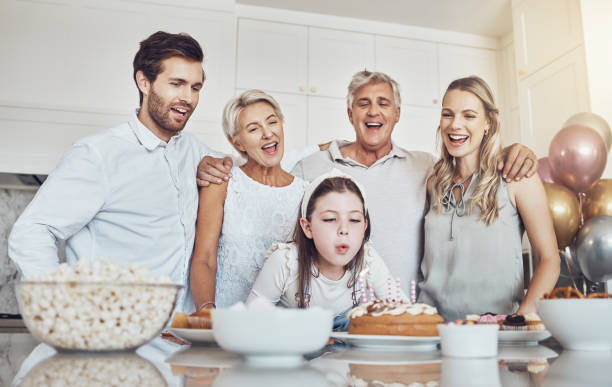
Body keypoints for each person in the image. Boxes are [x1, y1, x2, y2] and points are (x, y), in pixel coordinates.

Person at [198, 70, 539, 294]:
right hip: (334, 319)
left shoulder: (427, 168)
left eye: (383, 104)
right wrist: (217, 161)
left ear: (397, 114)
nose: (373, 112)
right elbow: (268, 166)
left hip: (406, 316)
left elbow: (469, 163)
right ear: (350, 115)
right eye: (363, 104)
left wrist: (511, 149)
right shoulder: (311, 167)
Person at [8, 31, 221, 313]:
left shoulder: (193, 151)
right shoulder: (97, 155)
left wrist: (218, 165)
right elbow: (32, 231)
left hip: (177, 343)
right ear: (144, 82)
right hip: (110, 341)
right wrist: (62, 309)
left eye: (195, 88)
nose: (188, 98)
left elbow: (241, 168)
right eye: (177, 84)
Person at [418, 76, 559, 321]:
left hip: (495, 333)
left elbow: (549, 259)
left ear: (488, 123)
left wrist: (523, 317)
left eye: (469, 116)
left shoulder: (517, 178)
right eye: (447, 114)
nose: (455, 125)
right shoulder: (433, 184)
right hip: (432, 330)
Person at [189, 90, 309, 311]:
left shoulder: (306, 193)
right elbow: (204, 258)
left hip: (283, 325)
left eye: (272, 122)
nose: (267, 133)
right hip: (227, 322)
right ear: (237, 142)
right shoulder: (222, 182)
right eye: (253, 129)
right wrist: (208, 316)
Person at [247, 170, 406, 331]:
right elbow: (248, 324)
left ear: (364, 227)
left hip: (347, 355)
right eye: (330, 219)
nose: (344, 230)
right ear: (308, 227)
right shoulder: (285, 262)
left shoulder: (368, 260)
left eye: (354, 220)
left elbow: (407, 316)